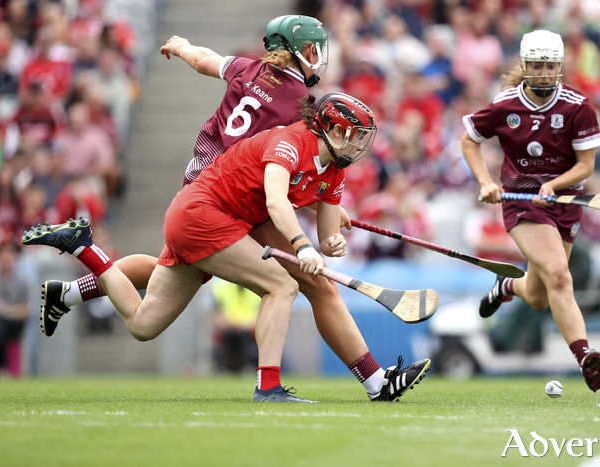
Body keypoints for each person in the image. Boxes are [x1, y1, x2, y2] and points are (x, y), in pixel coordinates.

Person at [36, 15, 430, 403]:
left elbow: (206, 59)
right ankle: (354, 383)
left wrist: (182, 47)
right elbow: (283, 171)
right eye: (313, 49)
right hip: (233, 194)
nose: (319, 57)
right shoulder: (302, 108)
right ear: (296, 52)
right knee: (297, 283)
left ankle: (69, 291)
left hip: (205, 176)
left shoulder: (248, 68)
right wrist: (312, 208)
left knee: (160, 290)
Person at [460, 30, 600, 392]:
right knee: (559, 274)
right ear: (524, 66)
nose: (543, 73)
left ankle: (507, 285)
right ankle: (585, 356)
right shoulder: (506, 104)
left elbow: (585, 165)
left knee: (540, 296)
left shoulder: (577, 106)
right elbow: (469, 141)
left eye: (549, 66)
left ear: (559, 67)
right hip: (522, 203)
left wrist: (554, 185)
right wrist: (485, 182)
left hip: (565, 204)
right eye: (537, 65)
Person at [0, 236, 29, 376]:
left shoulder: (22, 283)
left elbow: (25, 310)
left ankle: (3, 366)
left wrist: (6, 310)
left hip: (15, 323)